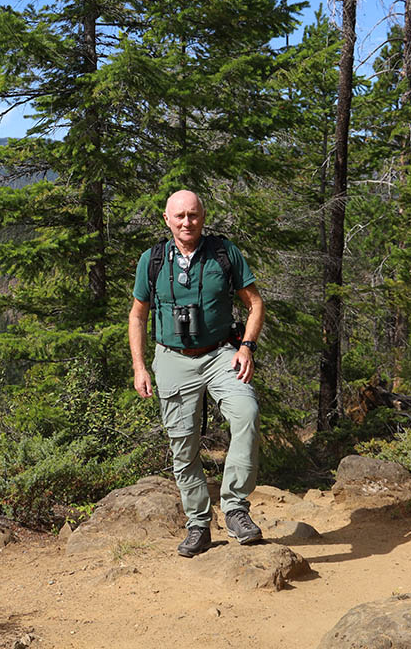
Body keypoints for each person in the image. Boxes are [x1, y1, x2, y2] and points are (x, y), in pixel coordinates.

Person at [129, 190, 265, 557]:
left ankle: (235, 508)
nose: (186, 222)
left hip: (222, 353)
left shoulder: (223, 253)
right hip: (172, 358)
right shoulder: (153, 260)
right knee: (183, 445)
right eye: (179, 216)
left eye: (193, 215)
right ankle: (198, 524)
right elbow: (138, 315)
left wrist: (246, 346)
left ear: (203, 217)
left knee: (247, 414)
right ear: (166, 219)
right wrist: (140, 367)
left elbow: (254, 303)